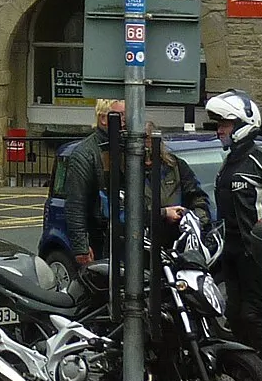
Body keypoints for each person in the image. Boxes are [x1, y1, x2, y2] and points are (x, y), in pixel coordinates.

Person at [61, 98, 211, 270]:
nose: (127, 121)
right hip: (104, 238)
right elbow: (76, 205)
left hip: (155, 244)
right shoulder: (89, 154)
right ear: (103, 119)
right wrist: (81, 246)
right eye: (122, 115)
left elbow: (196, 197)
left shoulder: (128, 149)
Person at [205, 89, 262, 355]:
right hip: (232, 256)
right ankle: (251, 376)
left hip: (259, 257)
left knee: (254, 317)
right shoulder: (229, 164)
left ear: (242, 124)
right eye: (218, 125)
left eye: (224, 124)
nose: (219, 131)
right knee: (234, 316)